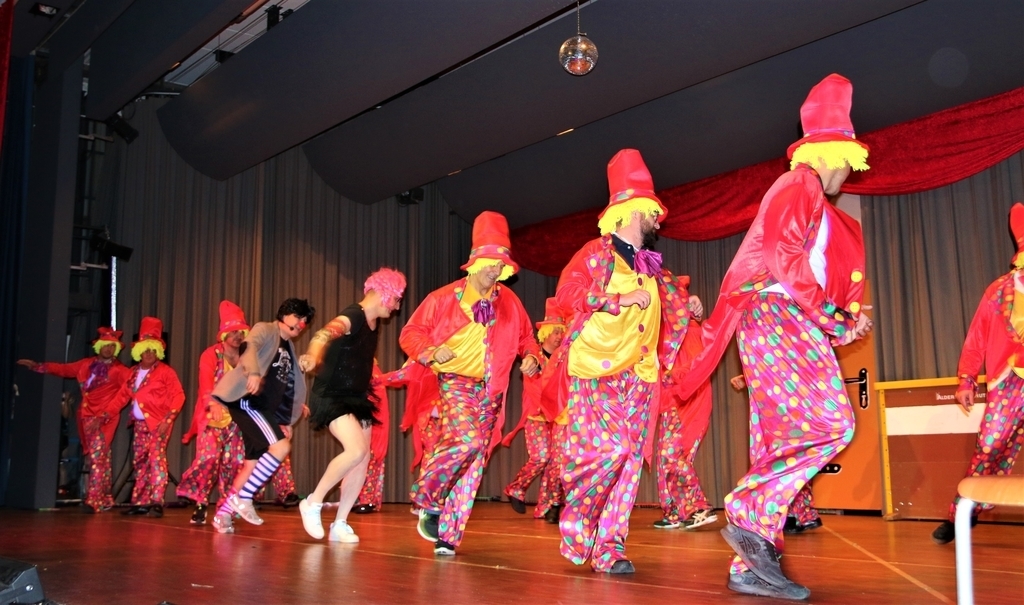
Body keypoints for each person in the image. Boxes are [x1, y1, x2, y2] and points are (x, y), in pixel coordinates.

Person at [677, 73, 873, 600]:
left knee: (776, 439)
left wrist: (842, 317)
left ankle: (749, 565)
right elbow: (784, 261)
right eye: (850, 163)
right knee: (833, 422)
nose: (847, 176)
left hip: (776, 318)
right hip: (776, 314)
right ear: (837, 153)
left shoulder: (807, 196)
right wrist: (832, 319)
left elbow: (800, 265)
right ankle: (745, 508)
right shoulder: (800, 184)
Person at [552, 149, 691, 574]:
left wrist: (689, 305)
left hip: (641, 373)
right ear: (635, 212)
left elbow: (666, 305)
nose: (658, 222)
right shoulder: (595, 253)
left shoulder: (650, 265)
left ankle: (610, 548)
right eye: (654, 215)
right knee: (611, 450)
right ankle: (578, 522)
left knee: (631, 459)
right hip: (596, 369)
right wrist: (616, 299)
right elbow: (568, 297)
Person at [401, 211, 541, 556]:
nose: (495, 271)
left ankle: (448, 535)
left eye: (500, 265)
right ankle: (427, 497)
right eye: (490, 263)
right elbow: (410, 334)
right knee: (467, 441)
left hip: (491, 389)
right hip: (456, 382)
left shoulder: (509, 302)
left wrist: (532, 356)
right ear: (475, 262)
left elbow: (527, 338)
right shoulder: (443, 298)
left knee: (476, 457)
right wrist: (432, 351)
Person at [932, 202, 1024, 545]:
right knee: (988, 446)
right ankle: (963, 514)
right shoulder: (998, 291)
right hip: (1008, 381)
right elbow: (977, 338)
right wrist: (966, 379)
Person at [297, 268, 406, 543]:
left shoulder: (373, 323)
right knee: (356, 449)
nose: (397, 307)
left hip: (357, 397)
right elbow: (325, 333)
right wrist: (311, 355)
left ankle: (340, 523)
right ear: (384, 295)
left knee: (362, 458)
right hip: (332, 396)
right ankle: (313, 502)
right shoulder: (354, 316)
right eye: (396, 300)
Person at [209, 298, 315, 534]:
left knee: (250, 465)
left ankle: (223, 514)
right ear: (285, 314)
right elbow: (249, 346)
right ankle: (244, 498)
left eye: (305, 321)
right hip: (249, 400)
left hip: (263, 409)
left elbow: (287, 387)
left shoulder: (289, 348)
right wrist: (254, 373)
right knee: (280, 448)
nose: (301, 324)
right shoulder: (266, 329)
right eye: (298, 317)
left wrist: (288, 418)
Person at [18, 327, 133, 512]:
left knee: (97, 457)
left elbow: (128, 391)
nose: (109, 349)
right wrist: (39, 366)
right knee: (101, 457)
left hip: (105, 419)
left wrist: (106, 413)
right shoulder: (85, 365)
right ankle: (105, 498)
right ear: (99, 347)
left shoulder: (120, 370)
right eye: (106, 346)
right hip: (86, 417)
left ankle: (94, 500)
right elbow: (63, 369)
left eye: (112, 346)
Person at [176, 301, 249, 525]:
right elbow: (205, 383)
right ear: (224, 333)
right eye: (232, 331)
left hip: (236, 421)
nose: (237, 336)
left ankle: (226, 508)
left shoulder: (246, 358)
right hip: (211, 418)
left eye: (240, 332)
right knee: (208, 459)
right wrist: (213, 404)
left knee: (234, 463)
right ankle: (200, 502)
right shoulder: (210, 355)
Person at [653, 279, 716, 530]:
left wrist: (671, 375)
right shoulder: (664, 333)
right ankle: (674, 511)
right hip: (671, 402)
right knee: (665, 457)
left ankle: (698, 507)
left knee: (674, 455)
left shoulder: (689, 330)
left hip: (689, 401)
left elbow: (696, 367)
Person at [502, 297, 568, 522]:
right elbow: (535, 389)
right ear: (545, 333)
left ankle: (548, 506)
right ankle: (516, 488)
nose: (559, 336)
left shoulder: (563, 360)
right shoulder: (535, 357)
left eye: (562, 332)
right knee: (541, 457)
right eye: (556, 332)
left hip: (559, 418)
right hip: (538, 416)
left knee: (557, 462)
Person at [117, 317, 186, 518]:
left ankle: (156, 500)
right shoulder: (132, 373)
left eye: (153, 350)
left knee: (156, 459)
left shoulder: (166, 372)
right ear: (139, 351)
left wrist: (168, 419)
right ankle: (141, 501)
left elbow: (179, 395)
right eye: (145, 350)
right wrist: (104, 414)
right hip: (140, 425)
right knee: (140, 462)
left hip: (159, 424)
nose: (149, 354)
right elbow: (121, 397)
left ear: (158, 352)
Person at [352, 362, 390, 514]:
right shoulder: (357, 366)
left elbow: (377, 396)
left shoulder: (370, 369)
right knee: (357, 456)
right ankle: (358, 497)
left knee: (371, 456)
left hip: (373, 419)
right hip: (361, 417)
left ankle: (367, 499)